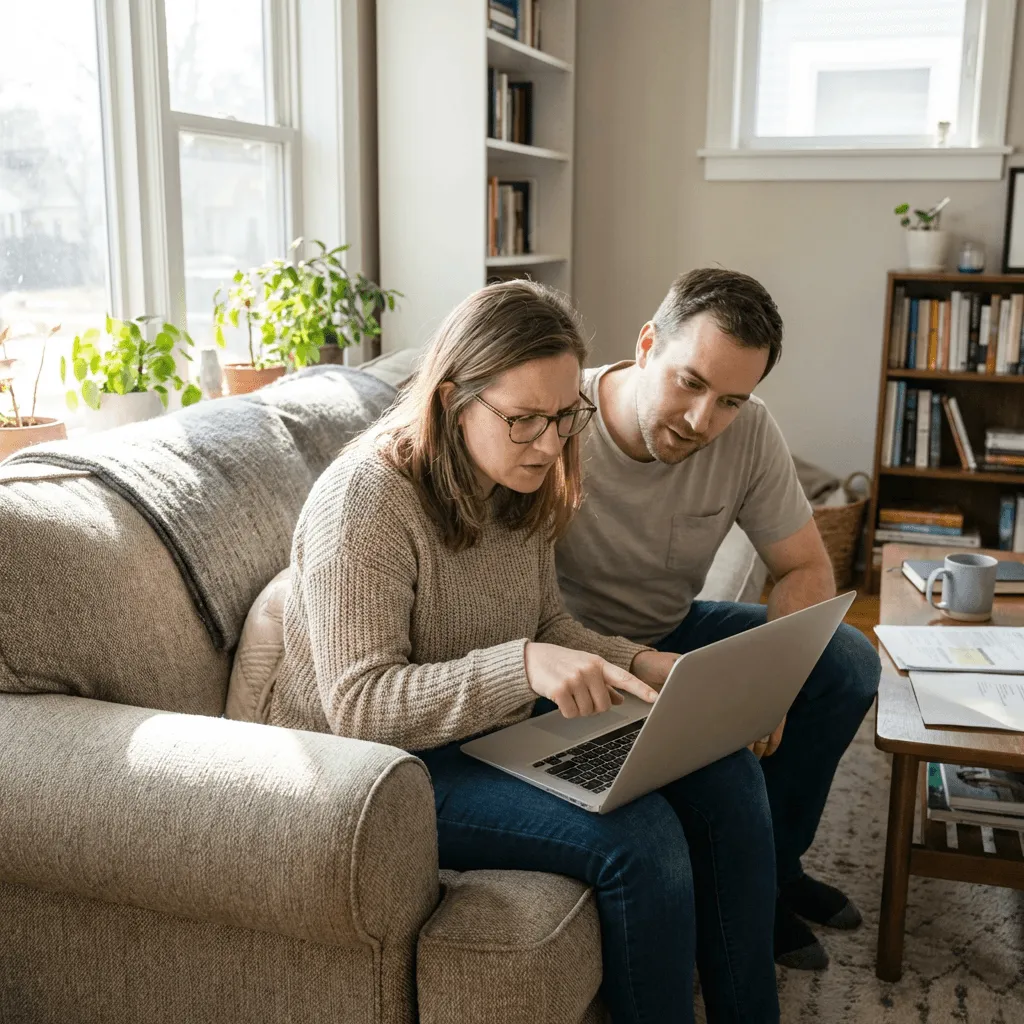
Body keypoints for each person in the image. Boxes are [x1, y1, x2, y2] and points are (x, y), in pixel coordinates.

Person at [267, 280, 781, 1023]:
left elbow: (548, 621)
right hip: (382, 773)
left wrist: (644, 664)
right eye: (523, 420)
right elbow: (360, 705)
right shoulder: (368, 499)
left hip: (485, 735)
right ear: (452, 402)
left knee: (725, 770)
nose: (550, 442)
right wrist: (522, 665)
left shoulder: (525, 480)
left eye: (564, 416)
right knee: (638, 839)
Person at [556, 267, 883, 971]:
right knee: (720, 764)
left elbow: (804, 567)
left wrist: (770, 675)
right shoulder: (557, 417)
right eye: (691, 383)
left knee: (848, 663)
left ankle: (776, 870)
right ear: (647, 345)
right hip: (576, 657)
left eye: (732, 399)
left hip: (674, 629)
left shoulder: (748, 432)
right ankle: (751, 890)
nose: (704, 422)